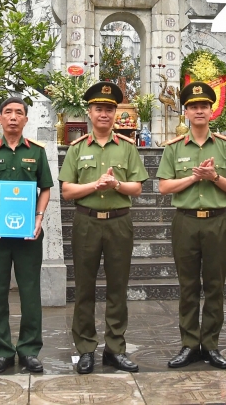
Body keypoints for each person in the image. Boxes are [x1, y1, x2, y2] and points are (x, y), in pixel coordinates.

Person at [60, 82, 148, 374]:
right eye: (99, 109)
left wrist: (116, 185)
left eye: (109, 110)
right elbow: (67, 191)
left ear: (115, 113)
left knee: (117, 288)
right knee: (84, 288)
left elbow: (136, 189)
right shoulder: (76, 148)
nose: (104, 114)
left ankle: (115, 349)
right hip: (86, 222)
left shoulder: (126, 147)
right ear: (90, 112)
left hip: (119, 223)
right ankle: (85, 348)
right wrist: (94, 185)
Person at [158, 82, 226, 370]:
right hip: (185, 222)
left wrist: (214, 177)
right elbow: (164, 186)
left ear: (211, 112)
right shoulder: (174, 148)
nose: (199, 110)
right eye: (194, 106)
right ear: (186, 112)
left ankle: (211, 345)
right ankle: (188, 344)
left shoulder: (225, 146)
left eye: (204, 106)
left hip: (217, 222)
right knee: (188, 286)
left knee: (215, 285)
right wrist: (194, 178)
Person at [0, 96, 54, 375]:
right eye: (7, 112)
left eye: (18, 112)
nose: (12, 117)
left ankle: (30, 351)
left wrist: (39, 218)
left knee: (30, 292)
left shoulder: (36, 152)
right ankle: (3, 352)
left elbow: (45, 188)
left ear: (25, 119)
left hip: (28, 234)